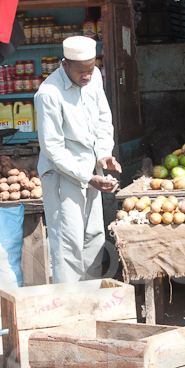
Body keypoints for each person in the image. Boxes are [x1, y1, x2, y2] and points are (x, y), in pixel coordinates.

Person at [34, 36, 121, 283]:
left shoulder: (94, 80)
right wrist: (88, 177)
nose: (87, 76)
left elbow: (104, 119)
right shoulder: (49, 94)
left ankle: (90, 297)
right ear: (64, 65)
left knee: (94, 236)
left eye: (91, 69)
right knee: (68, 241)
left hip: (92, 169)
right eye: (81, 71)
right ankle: (69, 303)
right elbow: (52, 148)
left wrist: (104, 153)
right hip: (63, 174)